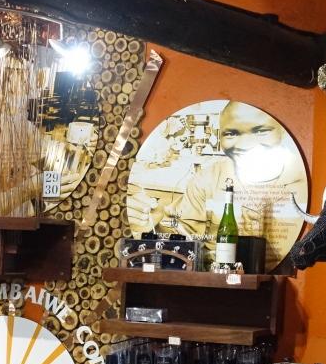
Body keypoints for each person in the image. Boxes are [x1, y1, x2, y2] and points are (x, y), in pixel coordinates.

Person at [126, 101, 308, 263]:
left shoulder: (299, 181)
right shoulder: (207, 178)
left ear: (281, 132)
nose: (245, 145)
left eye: (260, 131)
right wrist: (151, 224)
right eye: (231, 133)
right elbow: (184, 237)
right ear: (219, 137)